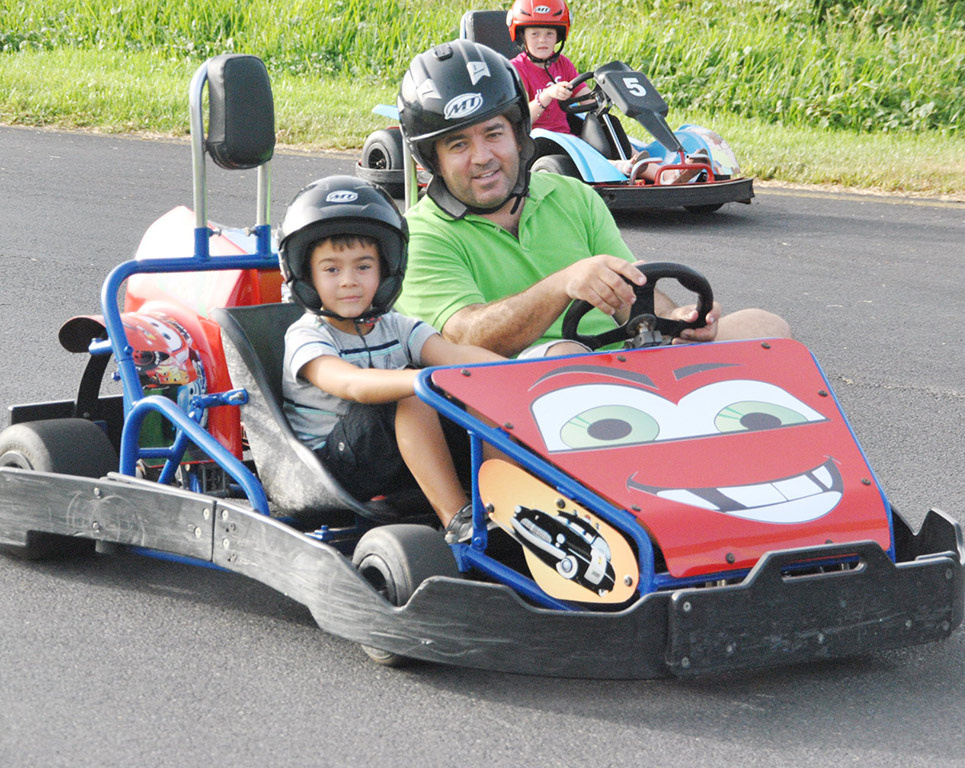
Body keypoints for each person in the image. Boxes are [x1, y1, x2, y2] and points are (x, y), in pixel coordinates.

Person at [394, 39, 790, 359]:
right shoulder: (421, 235)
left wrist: (678, 318)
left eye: (493, 134)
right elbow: (466, 337)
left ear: (517, 133)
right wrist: (562, 285)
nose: (482, 157)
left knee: (765, 327)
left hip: (624, 365)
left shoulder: (571, 196)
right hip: (520, 394)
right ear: (433, 159)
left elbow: (628, 291)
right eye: (459, 144)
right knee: (563, 355)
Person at [279, 175, 503, 538]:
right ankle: (457, 519)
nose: (349, 280)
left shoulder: (397, 325)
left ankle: (505, 501)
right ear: (306, 277)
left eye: (363, 267)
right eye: (332, 269)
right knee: (413, 392)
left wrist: (514, 373)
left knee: (479, 384)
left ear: (386, 271)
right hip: (333, 467)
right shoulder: (307, 336)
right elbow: (351, 383)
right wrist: (421, 380)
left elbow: (455, 355)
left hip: (394, 452)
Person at [505, 0, 705, 184]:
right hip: (535, 141)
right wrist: (547, 95)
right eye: (535, 34)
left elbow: (585, 99)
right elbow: (520, 118)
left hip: (567, 136)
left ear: (559, 36)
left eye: (549, 34)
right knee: (568, 147)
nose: (542, 40)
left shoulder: (563, 64)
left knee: (605, 121)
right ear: (522, 35)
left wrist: (603, 98)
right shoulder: (515, 69)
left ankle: (663, 173)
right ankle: (620, 166)